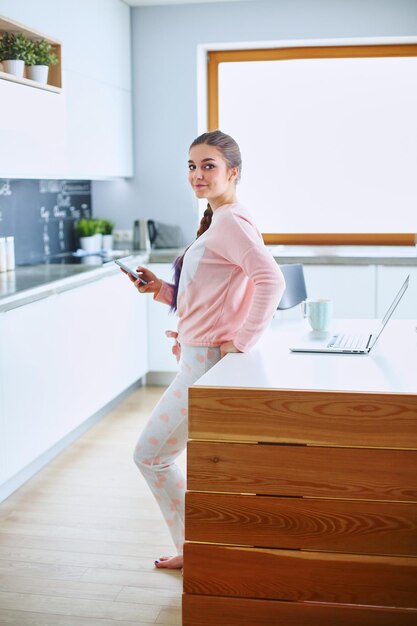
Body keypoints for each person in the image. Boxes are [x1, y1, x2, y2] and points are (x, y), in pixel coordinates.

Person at [121, 130, 285, 570]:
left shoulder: (229, 221)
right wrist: (160, 290)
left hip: (206, 365)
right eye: (192, 166)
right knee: (180, 460)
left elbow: (272, 281)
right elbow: (209, 293)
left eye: (208, 165)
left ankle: (193, 549)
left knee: (150, 456)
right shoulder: (222, 218)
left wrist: (240, 341)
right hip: (199, 360)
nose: (197, 174)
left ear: (233, 172)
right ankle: (201, 546)